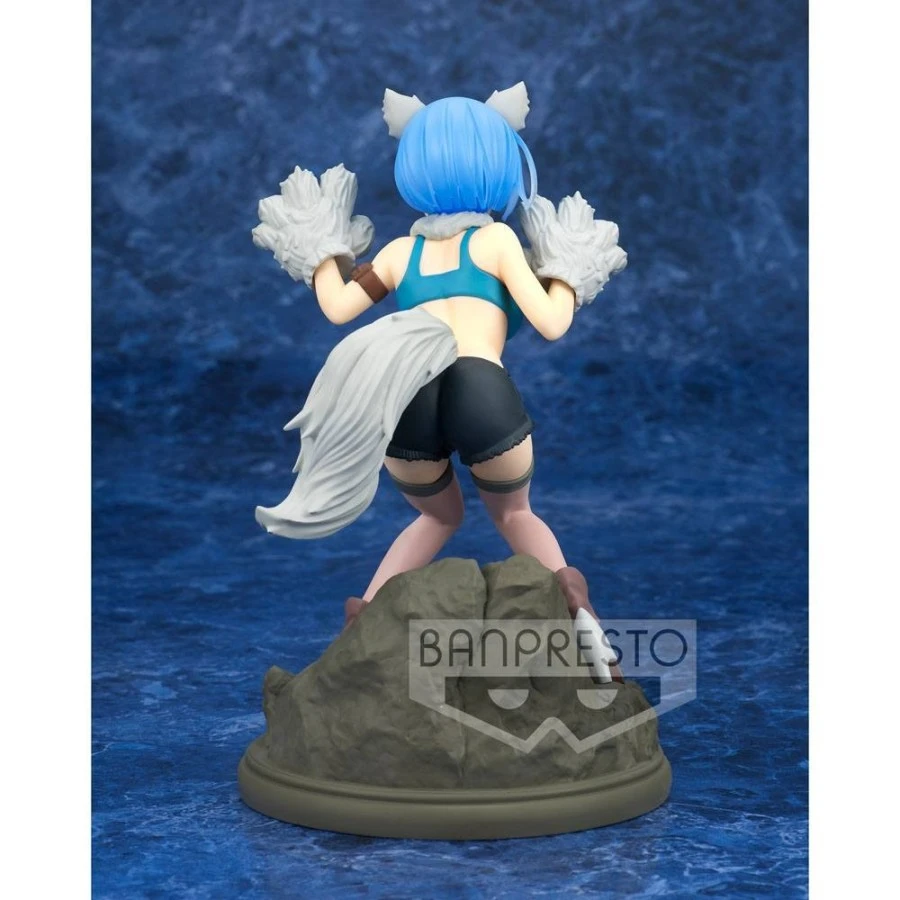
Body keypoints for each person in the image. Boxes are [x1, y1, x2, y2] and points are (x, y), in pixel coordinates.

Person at [251, 84, 627, 678]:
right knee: (514, 514)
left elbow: (337, 307)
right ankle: (583, 620)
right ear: (498, 164)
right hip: (481, 386)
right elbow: (553, 323)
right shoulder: (497, 241)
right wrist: (567, 271)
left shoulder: (400, 253)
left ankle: (359, 628)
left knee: (436, 516)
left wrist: (319, 247)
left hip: (406, 396)